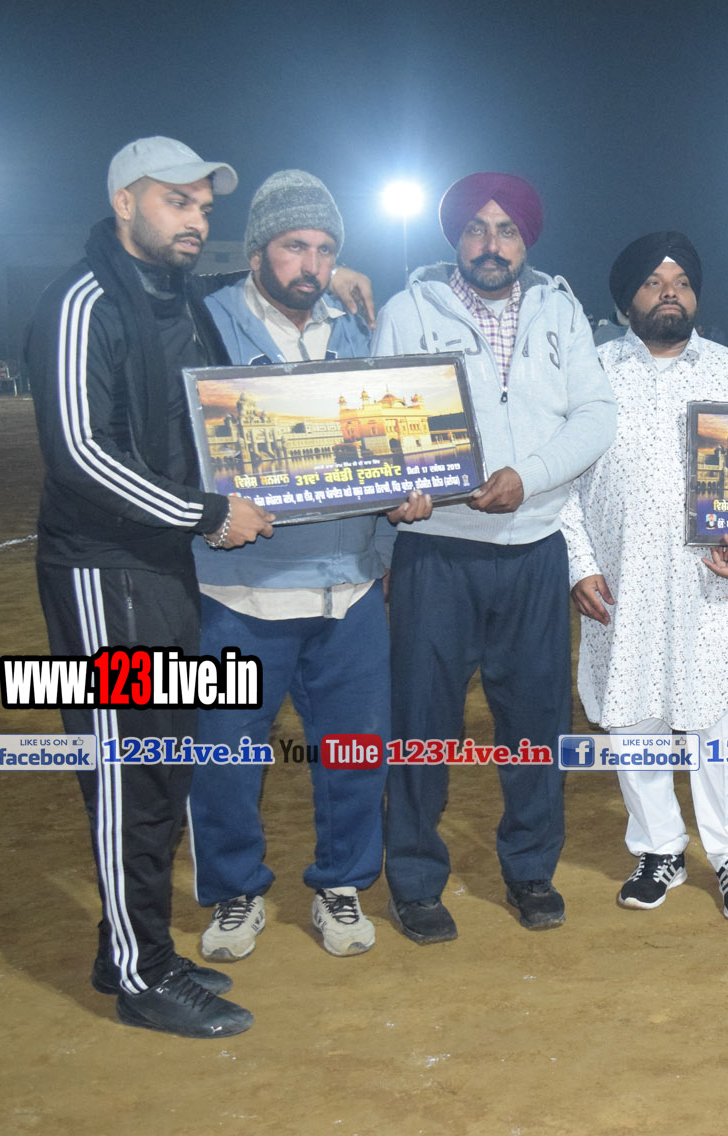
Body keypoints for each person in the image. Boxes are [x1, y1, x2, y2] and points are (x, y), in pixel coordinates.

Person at [23, 137, 269, 1037]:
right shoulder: (83, 302)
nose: (195, 219)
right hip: (102, 573)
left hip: (159, 568)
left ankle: (128, 944)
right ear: (125, 202)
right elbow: (81, 455)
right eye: (177, 201)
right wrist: (207, 514)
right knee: (128, 768)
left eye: (204, 206)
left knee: (164, 764)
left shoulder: (177, 299)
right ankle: (141, 974)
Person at [188, 171, 431, 964]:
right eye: (295, 246)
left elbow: (393, 440)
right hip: (238, 592)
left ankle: (342, 883)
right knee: (224, 762)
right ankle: (234, 890)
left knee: (356, 754)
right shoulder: (203, 321)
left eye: (326, 249)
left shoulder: (358, 329)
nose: (312, 264)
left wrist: (400, 509)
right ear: (258, 248)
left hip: (347, 587)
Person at [373, 172, 616, 943]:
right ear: (455, 236)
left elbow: (595, 415)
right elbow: (378, 422)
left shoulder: (561, 311)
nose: (491, 243)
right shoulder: (409, 311)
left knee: (536, 724)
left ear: (526, 240)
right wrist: (400, 490)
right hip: (435, 553)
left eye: (507, 229)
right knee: (422, 723)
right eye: (476, 228)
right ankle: (415, 882)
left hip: (534, 549)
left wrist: (530, 477)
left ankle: (531, 870)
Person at [563, 231, 728, 920]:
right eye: (654, 282)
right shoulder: (592, 374)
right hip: (619, 587)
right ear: (626, 297)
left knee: (721, 727)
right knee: (633, 724)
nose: (669, 293)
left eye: (682, 282)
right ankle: (658, 848)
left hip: (709, 585)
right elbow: (562, 481)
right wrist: (579, 565)